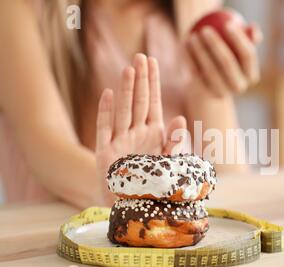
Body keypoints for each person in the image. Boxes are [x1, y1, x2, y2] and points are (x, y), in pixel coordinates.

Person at [0, 0, 262, 208]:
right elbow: (45, 144)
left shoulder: (190, 10)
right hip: (54, 254)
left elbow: (230, 176)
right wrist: (129, 186)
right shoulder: (21, 10)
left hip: (175, 254)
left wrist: (209, 90)